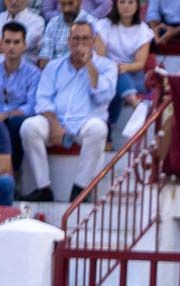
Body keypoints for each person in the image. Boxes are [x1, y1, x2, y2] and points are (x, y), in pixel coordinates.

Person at [19, 22, 114, 203]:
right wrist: (54, 124)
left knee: (98, 129)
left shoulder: (107, 66)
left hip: (85, 123)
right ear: (68, 41)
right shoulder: (54, 66)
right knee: (29, 126)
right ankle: (43, 187)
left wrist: (89, 65)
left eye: (85, 38)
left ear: (93, 41)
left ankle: (80, 189)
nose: (80, 43)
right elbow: (43, 99)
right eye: (76, 38)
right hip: (57, 121)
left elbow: (104, 97)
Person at [0, 22, 39, 177]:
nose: (11, 46)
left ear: (24, 45)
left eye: (16, 42)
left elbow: (32, 106)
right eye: (8, 41)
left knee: (14, 123)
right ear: (2, 44)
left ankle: (11, 173)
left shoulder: (34, 74)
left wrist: (5, 115)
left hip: (17, 119)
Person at [97, 0, 152, 130]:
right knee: (115, 78)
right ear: (116, 5)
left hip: (134, 74)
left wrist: (124, 67)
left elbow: (140, 63)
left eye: (130, 2)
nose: (126, 6)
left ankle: (109, 128)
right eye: (122, 2)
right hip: (107, 71)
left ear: (137, 5)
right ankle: (135, 104)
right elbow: (100, 57)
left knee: (118, 79)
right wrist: (113, 68)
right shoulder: (104, 25)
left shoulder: (143, 30)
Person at [38, 0, 99, 69]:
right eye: (63, 4)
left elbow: (96, 59)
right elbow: (45, 57)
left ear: (80, 2)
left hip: (82, 73)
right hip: (55, 72)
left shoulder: (92, 23)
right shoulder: (53, 23)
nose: (66, 9)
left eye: (70, 3)